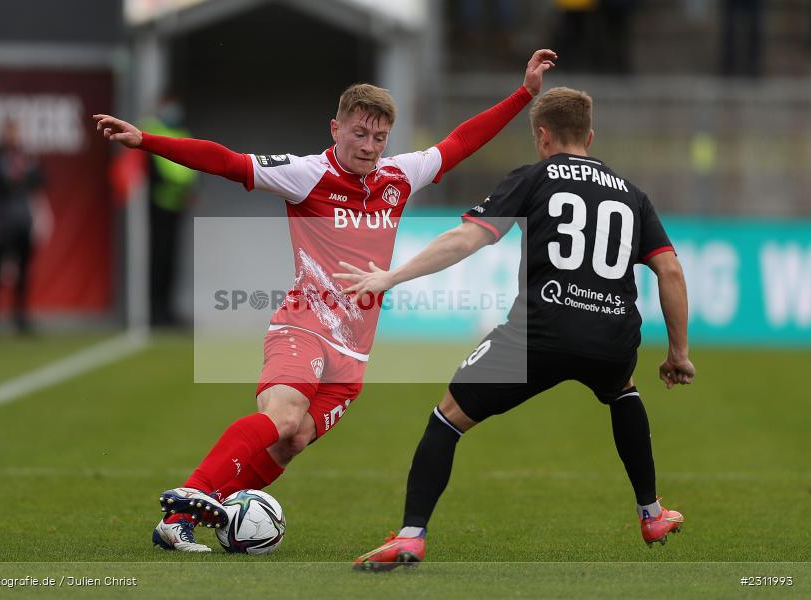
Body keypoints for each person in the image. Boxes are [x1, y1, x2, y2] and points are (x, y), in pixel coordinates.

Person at [94, 49, 557, 553]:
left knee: (290, 443)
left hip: (354, 352)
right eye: (360, 134)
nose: (370, 146)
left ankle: (182, 519)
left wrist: (524, 94)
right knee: (285, 417)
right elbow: (226, 161)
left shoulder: (399, 176)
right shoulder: (306, 174)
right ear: (335, 128)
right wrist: (146, 142)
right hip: (303, 325)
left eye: (379, 138)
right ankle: (192, 495)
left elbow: (461, 141)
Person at [339, 87, 695, 570]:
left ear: (542, 136)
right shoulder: (632, 194)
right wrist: (678, 353)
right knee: (622, 390)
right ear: (589, 136)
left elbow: (469, 237)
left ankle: (410, 536)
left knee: (448, 418)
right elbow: (670, 271)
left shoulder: (535, 177)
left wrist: (391, 276)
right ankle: (651, 513)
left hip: (539, 334)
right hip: (613, 336)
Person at [0, 120, 46, 334]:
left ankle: (20, 316)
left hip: (23, 218)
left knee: (24, 270)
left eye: (16, 131)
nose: (13, 136)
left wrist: (23, 178)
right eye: (9, 131)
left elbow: (40, 181)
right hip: (3, 218)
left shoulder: (27, 156)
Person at [140, 97, 198, 327]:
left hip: (177, 206)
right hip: (156, 207)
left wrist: (192, 189)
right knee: (155, 260)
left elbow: (193, 167)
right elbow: (154, 170)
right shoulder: (151, 130)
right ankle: (152, 311)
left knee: (171, 261)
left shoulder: (183, 133)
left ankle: (167, 310)